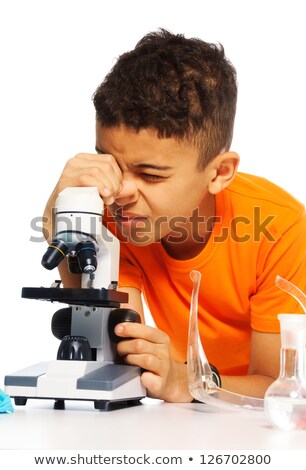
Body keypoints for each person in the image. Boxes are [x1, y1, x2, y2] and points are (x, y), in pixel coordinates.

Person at [43, 29, 306, 402]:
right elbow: (116, 342)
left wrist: (187, 381)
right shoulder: (116, 215)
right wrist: (61, 212)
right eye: (111, 164)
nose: (120, 192)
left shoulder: (280, 228)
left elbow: (276, 385)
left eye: (150, 175)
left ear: (218, 172)